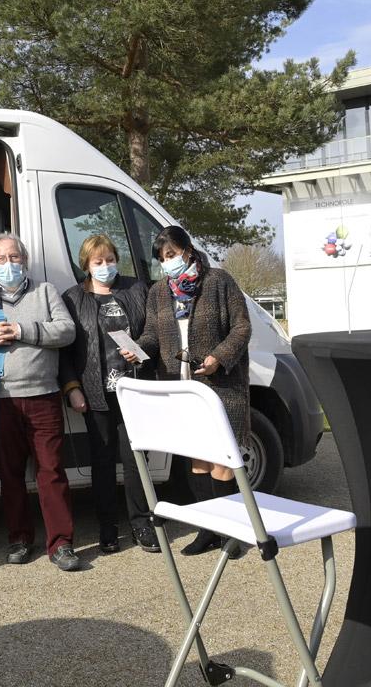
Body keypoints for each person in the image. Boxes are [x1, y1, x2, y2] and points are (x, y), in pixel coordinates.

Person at [123, 225, 252, 557]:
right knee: (197, 463)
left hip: (220, 385)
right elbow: (152, 334)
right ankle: (208, 530)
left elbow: (242, 326)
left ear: (188, 250)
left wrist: (219, 358)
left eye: (172, 255)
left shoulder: (219, 281)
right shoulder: (158, 292)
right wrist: (135, 348)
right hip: (179, 389)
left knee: (223, 462)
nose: (168, 263)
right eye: (162, 258)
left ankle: (231, 534)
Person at [0, 232, 81, 571]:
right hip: (2, 400)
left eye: (14, 258)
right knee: (10, 475)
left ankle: (61, 544)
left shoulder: (45, 292)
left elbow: (67, 331)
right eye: (1, 259)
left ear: (24, 261)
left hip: (43, 396)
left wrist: (24, 331)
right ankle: (19, 539)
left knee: (51, 472)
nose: (8, 264)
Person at [59, 234, 160, 555]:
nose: (106, 267)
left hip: (135, 390)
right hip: (95, 393)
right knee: (102, 461)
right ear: (86, 265)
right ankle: (107, 527)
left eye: (110, 260)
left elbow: (154, 331)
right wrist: (72, 388)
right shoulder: (73, 298)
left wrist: (142, 348)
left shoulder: (135, 289)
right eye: (98, 262)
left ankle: (142, 523)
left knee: (136, 461)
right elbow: (65, 351)